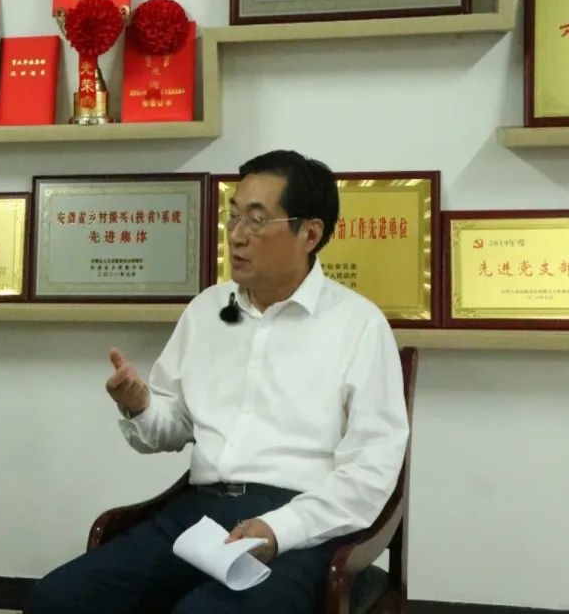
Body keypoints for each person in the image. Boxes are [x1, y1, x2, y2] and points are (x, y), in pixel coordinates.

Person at [26, 150, 409, 614]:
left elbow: (371, 471)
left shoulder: (358, 325)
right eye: (233, 216)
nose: (237, 235)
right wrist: (141, 405)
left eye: (257, 220)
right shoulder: (208, 309)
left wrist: (279, 528)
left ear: (310, 233)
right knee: (57, 599)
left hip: (299, 528)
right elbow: (170, 428)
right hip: (197, 514)